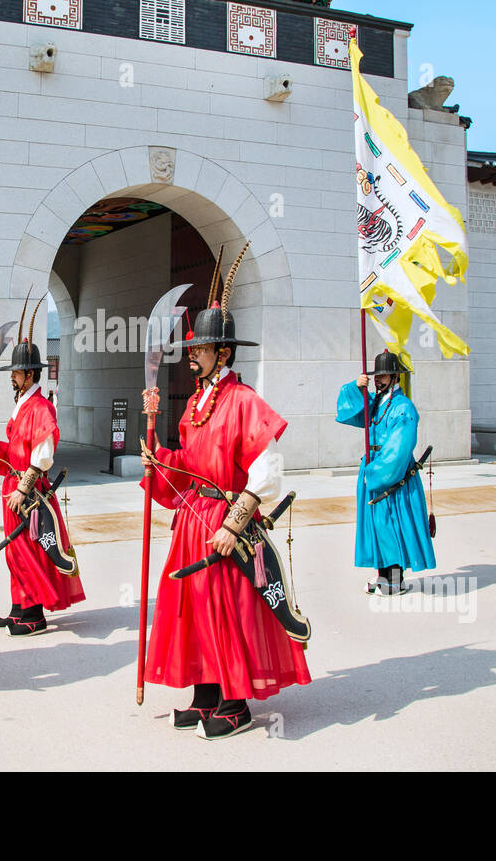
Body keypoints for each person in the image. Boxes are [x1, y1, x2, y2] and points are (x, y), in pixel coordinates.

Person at [139, 244, 310, 740]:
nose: (192, 355)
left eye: (200, 349)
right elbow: (189, 473)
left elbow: (267, 470)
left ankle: (234, 703)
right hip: (191, 522)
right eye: (191, 349)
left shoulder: (243, 402)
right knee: (191, 609)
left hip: (224, 528)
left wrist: (234, 525)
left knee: (225, 612)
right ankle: (205, 694)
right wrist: (158, 462)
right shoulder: (194, 405)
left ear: (224, 353)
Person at [0, 293, 84, 636]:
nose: (12, 377)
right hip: (14, 488)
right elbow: (13, 450)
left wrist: (23, 488)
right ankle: (18, 607)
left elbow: (43, 452)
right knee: (16, 553)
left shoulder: (40, 408)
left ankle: (33, 613)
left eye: (16, 372)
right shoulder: (22, 404)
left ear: (28, 374)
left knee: (27, 551)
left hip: (28, 493)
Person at [335, 350, 434, 595]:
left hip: (392, 472)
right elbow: (353, 413)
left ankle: (395, 579)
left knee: (392, 524)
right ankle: (382, 574)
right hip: (373, 467)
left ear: (395, 377)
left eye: (383, 375)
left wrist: (379, 472)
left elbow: (400, 447)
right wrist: (355, 388)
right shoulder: (379, 402)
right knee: (375, 523)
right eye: (376, 375)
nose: (378, 380)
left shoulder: (403, 407)